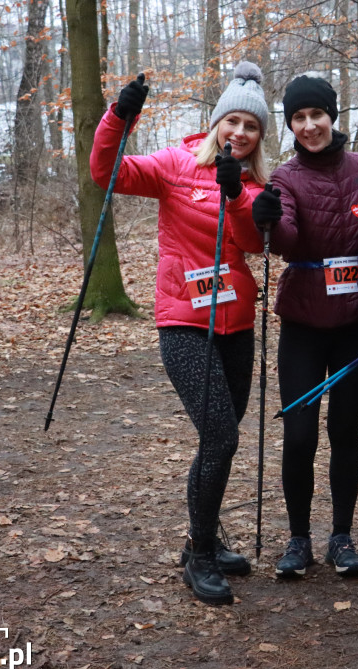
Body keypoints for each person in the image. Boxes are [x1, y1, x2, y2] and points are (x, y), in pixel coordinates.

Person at [90, 62, 269, 606]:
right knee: (221, 437)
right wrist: (119, 116)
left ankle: (205, 537)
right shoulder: (173, 164)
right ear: (217, 124)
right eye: (231, 121)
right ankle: (201, 555)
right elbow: (107, 174)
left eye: (251, 126)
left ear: (261, 136)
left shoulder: (260, 183)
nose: (239, 133)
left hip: (236, 325)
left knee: (219, 438)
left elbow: (254, 245)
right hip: (184, 322)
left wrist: (237, 194)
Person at [250, 76, 358, 579]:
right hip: (304, 323)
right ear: (290, 124)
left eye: (317, 115)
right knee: (300, 433)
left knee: (345, 430)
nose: (309, 125)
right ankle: (298, 539)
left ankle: (342, 537)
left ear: (333, 116)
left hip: (356, 322)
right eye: (298, 118)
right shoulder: (286, 178)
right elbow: (285, 238)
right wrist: (264, 218)